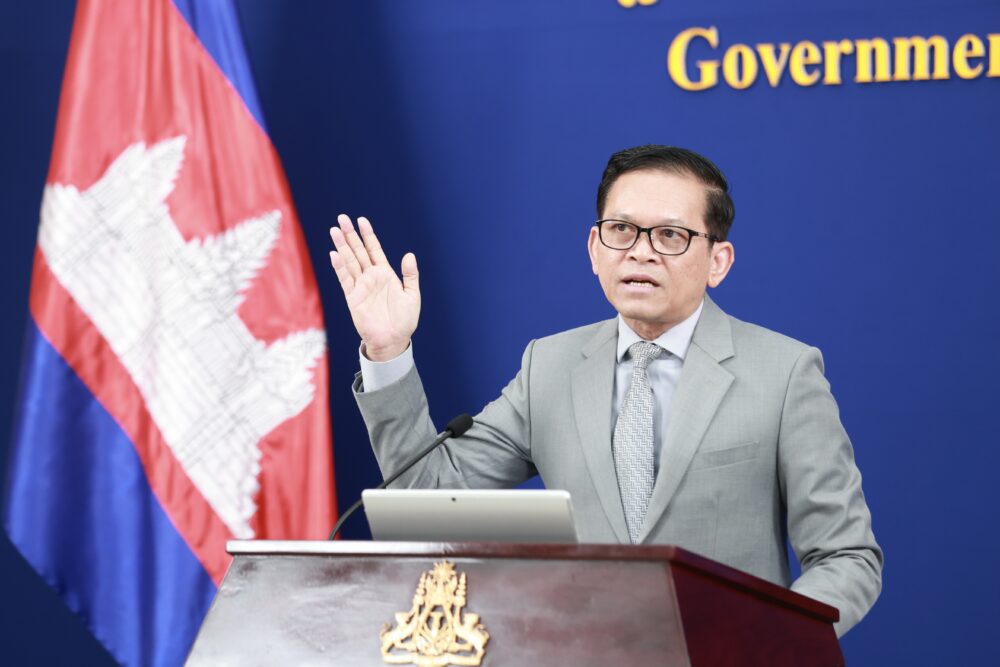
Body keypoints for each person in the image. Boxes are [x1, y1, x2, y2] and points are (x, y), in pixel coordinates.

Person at [328, 145, 882, 636]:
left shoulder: (784, 373)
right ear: (595, 248)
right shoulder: (549, 366)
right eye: (622, 230)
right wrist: (388, 351)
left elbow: (847, 557)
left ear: (718, 261)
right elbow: (427, 497)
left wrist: (770, 641)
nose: (640, 252)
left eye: (670, 236)